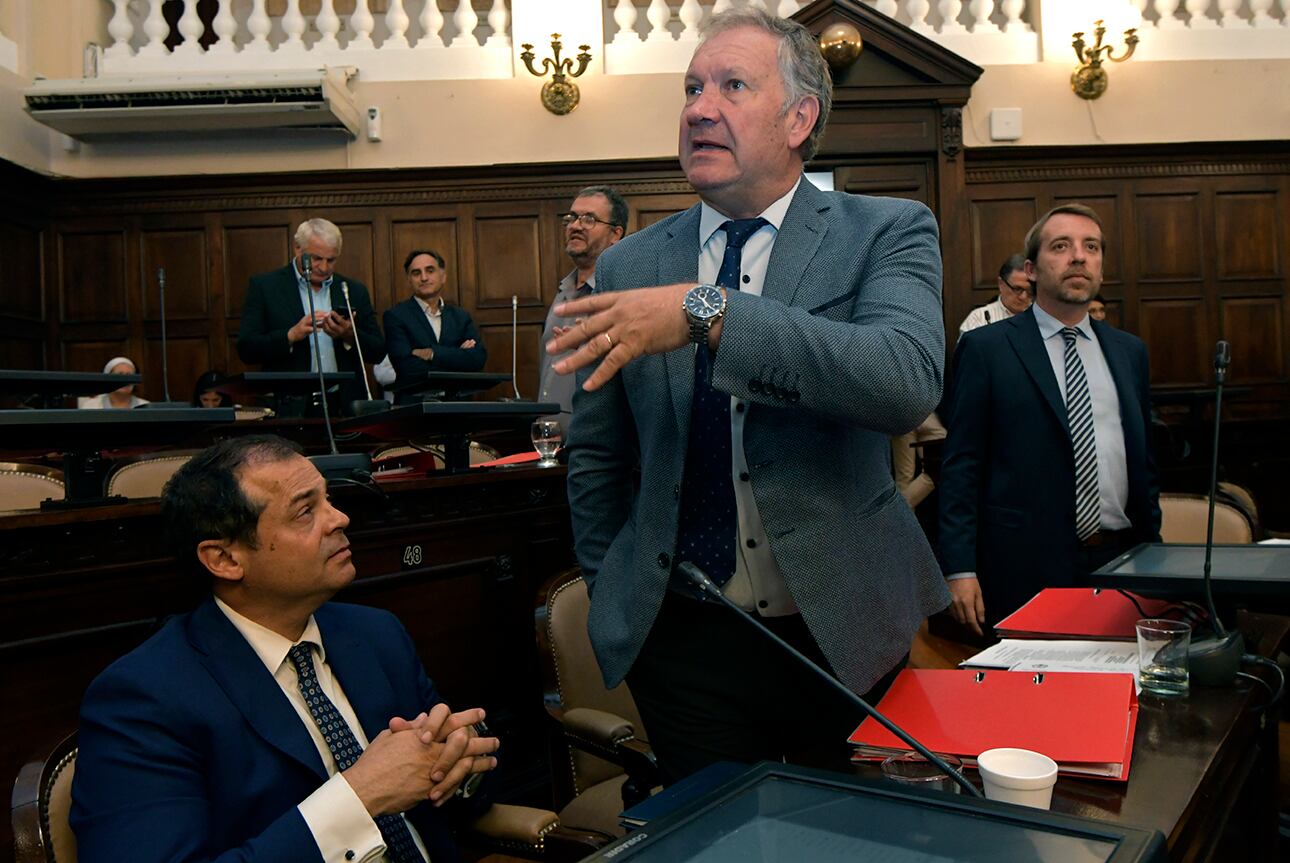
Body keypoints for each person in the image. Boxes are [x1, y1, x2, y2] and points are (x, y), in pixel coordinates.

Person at [545, 9, 949, 782]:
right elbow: (597, 454)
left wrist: (710, 312)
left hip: (846, 627)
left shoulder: (885, 231)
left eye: (732, 85)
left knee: (859, 838)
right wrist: (613, 592)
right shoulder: (629, 264)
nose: (700, 107)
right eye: (693, 88)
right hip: (684, 641)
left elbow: (901, 380)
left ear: (801, 118)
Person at [71, 435, 499, 862]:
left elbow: (459, 789)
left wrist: (461, 764)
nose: (340, 519)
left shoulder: (375, 634)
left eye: (329, 500)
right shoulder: (143, 700)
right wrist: (359, 796)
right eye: (305, 511)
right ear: (224, 559)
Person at [938, 204, 1161, 635]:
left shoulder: (1130, 352)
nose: (1079, 256)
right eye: (1061, 246)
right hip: (1023, 567)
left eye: (1091, 247)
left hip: (1122, 560)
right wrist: (959, 567)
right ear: (1032, 270)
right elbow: (962, 465)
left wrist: (1155, 551)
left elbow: (1143, 463)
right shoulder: (988, 349)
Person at [237, 218, 385, 410]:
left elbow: (378, 351)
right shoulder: (265, 287)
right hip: (288, 404)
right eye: (316, 258)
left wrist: (349, 334)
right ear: (297, 248)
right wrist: (290, 335)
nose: (324, 268)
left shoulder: (352, 290)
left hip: (342, 404)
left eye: (331, 260)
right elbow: (246, 349)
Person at [538, 186, 627, 421]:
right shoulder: (563, 290)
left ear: (615, 234)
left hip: (596, 443)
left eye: (589, 219)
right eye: (572, 218)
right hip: (550, 438)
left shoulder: (624, 294)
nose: (575, 226)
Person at [384, 250, 486, 404]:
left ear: (443, 276)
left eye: (430, 271)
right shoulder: (396, 316)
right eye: (416, 273)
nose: (424, 278)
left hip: (458, 408)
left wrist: (433, 354)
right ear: (409, 280)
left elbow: (478, 359)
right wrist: (458, 356)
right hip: (415, 410)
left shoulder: (461, 317)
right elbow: (407, 368)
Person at [958, 253, 1032, 334]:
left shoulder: (1041, 316)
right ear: (1001, 284)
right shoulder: (978, 318)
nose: (1024, 297)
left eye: (1029, 290)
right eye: (1017, 289)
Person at [80, 356, 149, 409]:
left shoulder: (146, 406)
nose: (124, 380)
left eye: (129, 375)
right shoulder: (90, 406)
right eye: (120, 375)